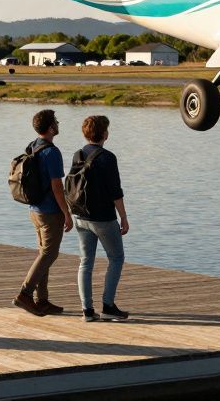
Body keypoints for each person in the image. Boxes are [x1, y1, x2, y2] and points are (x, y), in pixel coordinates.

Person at [69, 115, 130, 322]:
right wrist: (123, 216)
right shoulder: (107, 157)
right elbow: (116, 192)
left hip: (79, 215)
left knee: (85, 262)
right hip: (103, 218)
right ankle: (108, 305)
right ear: (104, 134)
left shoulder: (77, 155)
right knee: (116, 258)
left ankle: (87, 310)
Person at [15, 109, 73, 316]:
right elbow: (57, 186)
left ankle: (42, 300)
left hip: (35, 210)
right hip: (49, 211)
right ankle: (25, 293)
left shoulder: (34, 146)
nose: (58, 124)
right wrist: (66, 213)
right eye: (56, 121)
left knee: (44, 254)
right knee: (49, 253)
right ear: (51, 127)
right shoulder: (52, 152)